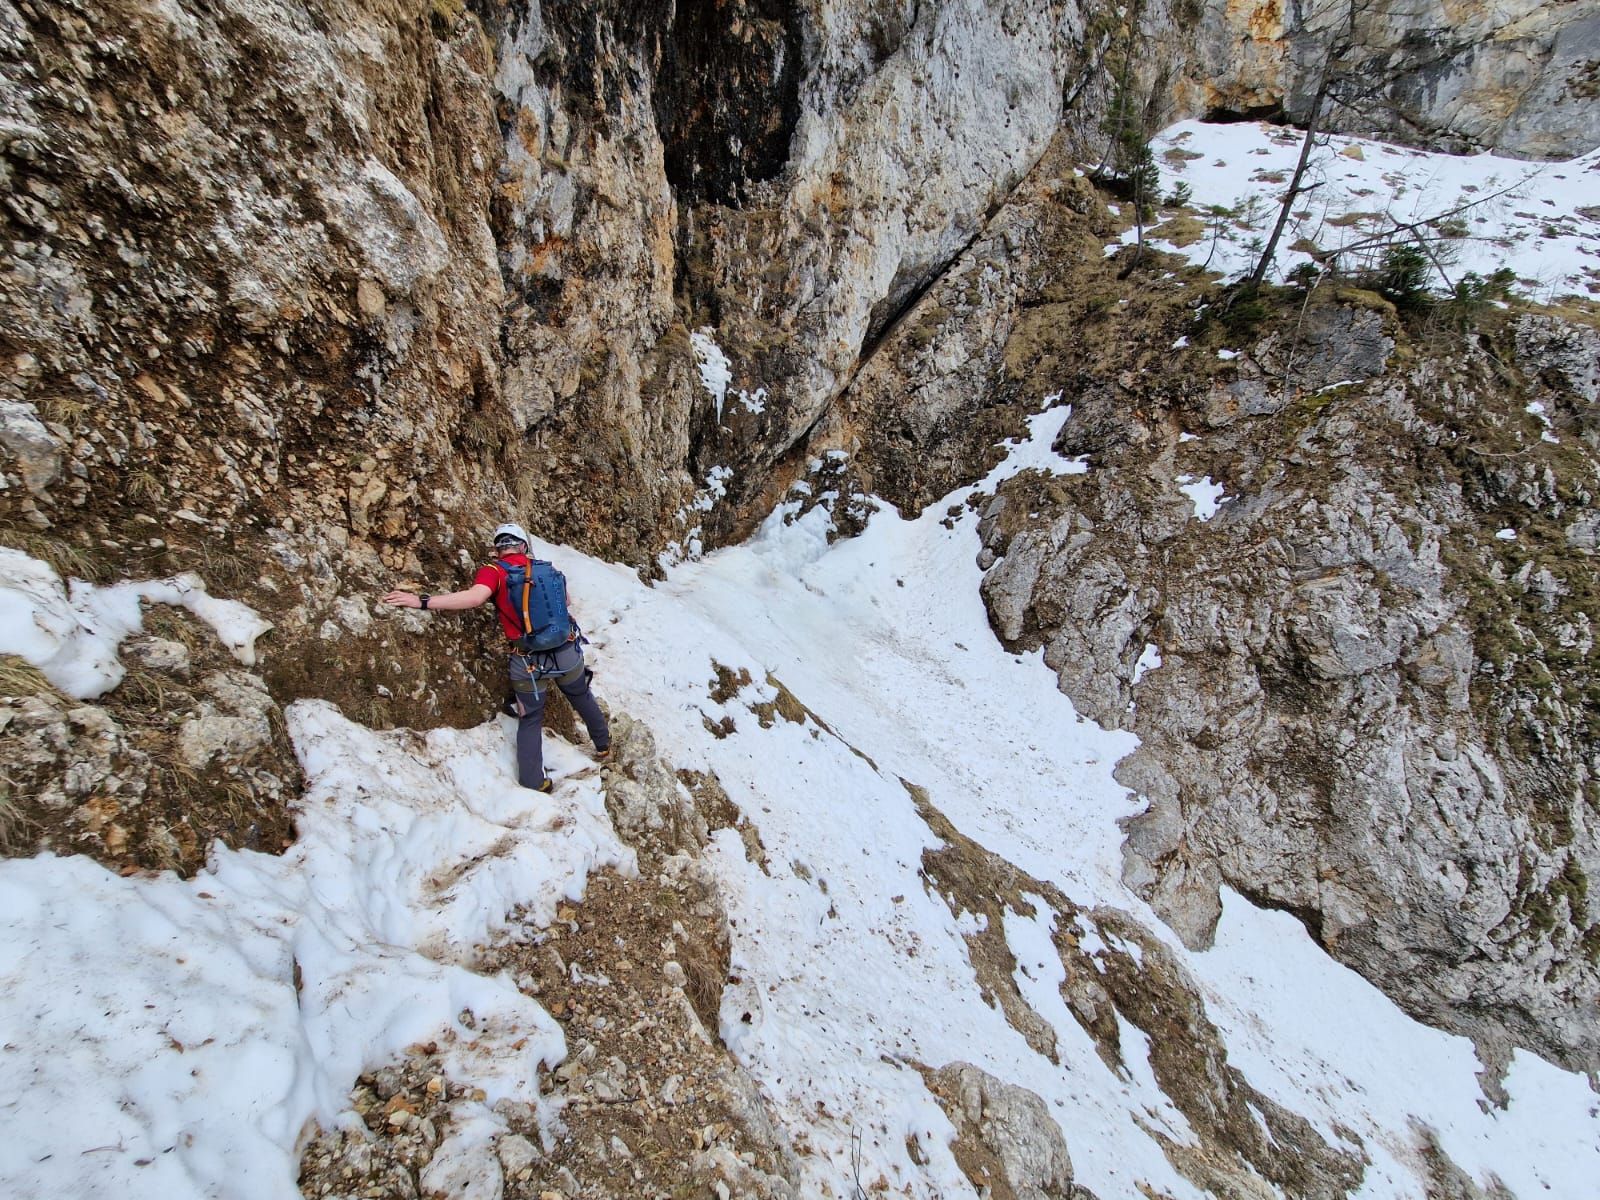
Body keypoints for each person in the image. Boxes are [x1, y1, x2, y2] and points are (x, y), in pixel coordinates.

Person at [381, 522, 610, 792]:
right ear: (523, 546)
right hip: (566, 652)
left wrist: (422, 601)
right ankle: (603, 745)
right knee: (581, 695)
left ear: (497, 548)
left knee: (531, 718)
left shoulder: (495, 572)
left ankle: (534, 782)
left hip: (528, 661)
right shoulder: (546, 569)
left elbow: (474, 598)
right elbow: (566, 601)